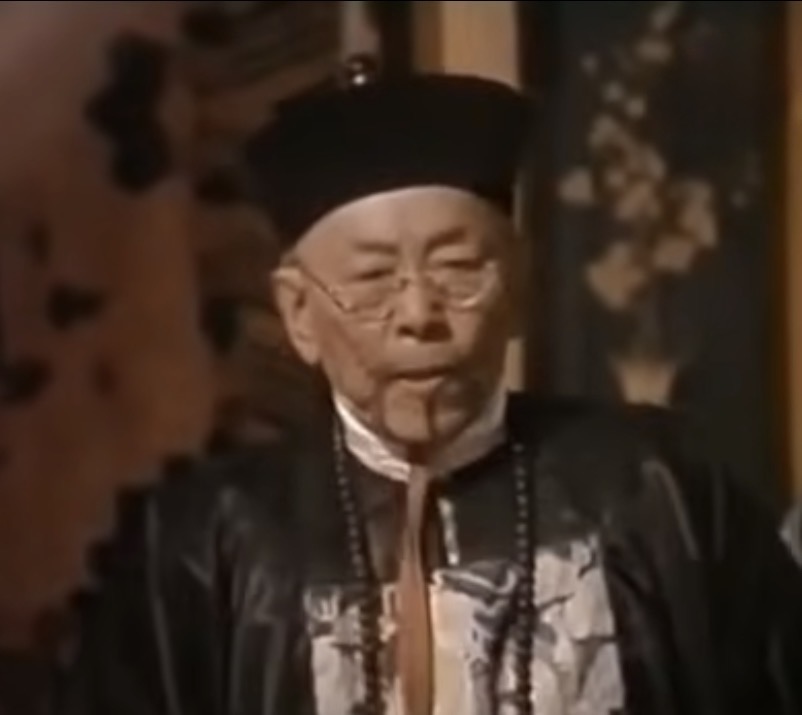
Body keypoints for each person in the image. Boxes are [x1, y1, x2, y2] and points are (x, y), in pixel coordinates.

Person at [55, 61, 802, 715]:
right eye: (373, 280)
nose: (419, 315)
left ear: (518, 287)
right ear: (299, 314)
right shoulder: (209, 538)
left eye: (458, 269)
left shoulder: (659, 486)